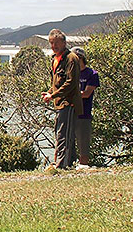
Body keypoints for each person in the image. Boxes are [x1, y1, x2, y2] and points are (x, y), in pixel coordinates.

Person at [41, 29, 84, 170]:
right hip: (59, 103)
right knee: (62, 132)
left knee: (63, 134)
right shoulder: (54, 59)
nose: (54, 46)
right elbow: (57, 83)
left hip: (69, 102)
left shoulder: (71, 58)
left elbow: (70, 83)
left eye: (57, 43)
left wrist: (52, 95)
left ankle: (60, 165)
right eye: (52, 43)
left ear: (64, 43)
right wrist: (49, 92)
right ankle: (69, 163)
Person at [71, 47, 99, 169]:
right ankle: (66, 165)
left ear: (81, 58)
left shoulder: (92, 74)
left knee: (83, 143)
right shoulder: (69, 73)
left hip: (84, 113)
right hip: (70, 112)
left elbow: (87, 93)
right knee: (66, 141)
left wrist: (71, 95)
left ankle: (83, 165)